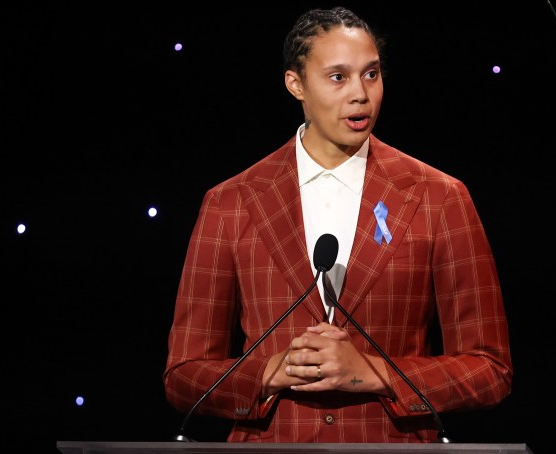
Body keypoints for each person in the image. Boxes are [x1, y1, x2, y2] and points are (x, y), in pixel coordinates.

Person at [164, 6, 512, 443]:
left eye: (371, 74)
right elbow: (183, 376)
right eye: (337, 77)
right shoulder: (231, 202)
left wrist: (377, 373)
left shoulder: (438, 196)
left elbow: (490, 368)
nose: (360, 95)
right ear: (296, 85)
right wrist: (270, 371)